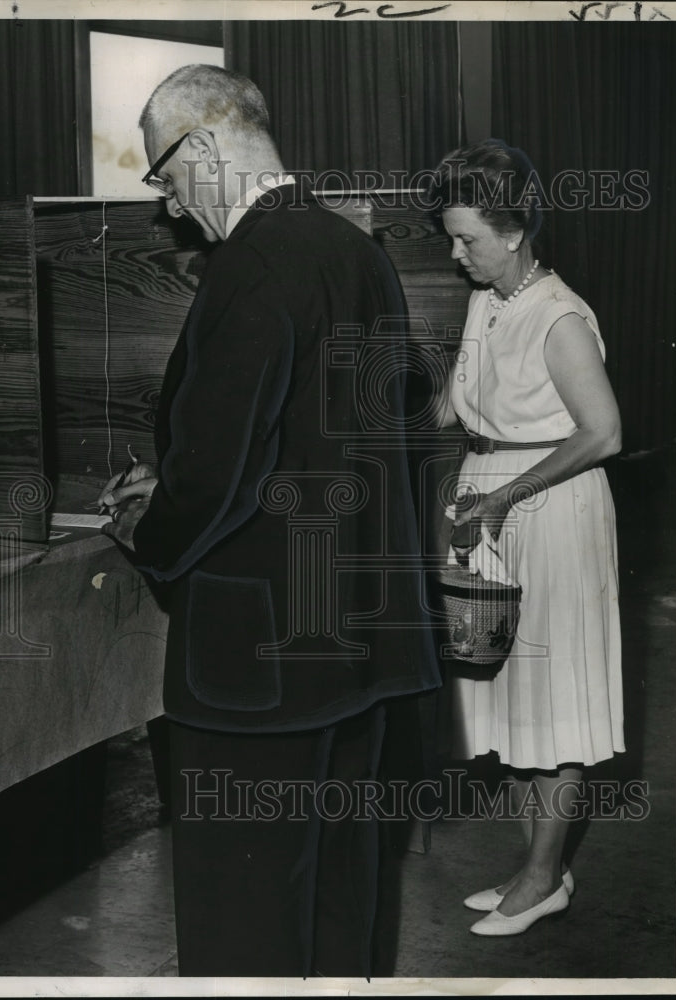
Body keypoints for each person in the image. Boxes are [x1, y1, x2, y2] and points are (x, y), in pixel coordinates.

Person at [98, 64, 441, 977]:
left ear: (204, 145)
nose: (169, 206)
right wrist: (178, 476)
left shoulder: (249, 265)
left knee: (243, 914)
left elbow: (222, 475)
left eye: (166, 177)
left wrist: (150, 527)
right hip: (357, 648)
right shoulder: (353, 247)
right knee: (337, 896)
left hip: (259, 666)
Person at [430, 139, 624, 936]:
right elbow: (455, 409)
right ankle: (538, 870)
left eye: (467, 238)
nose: (454, 253)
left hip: (549, 511)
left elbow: (603, 433)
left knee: (551, 700)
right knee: (500, 696)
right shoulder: (489, 299)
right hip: (487, 505)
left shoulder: (558, 315)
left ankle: (542, 876)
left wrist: (503, 494)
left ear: (511, 233)